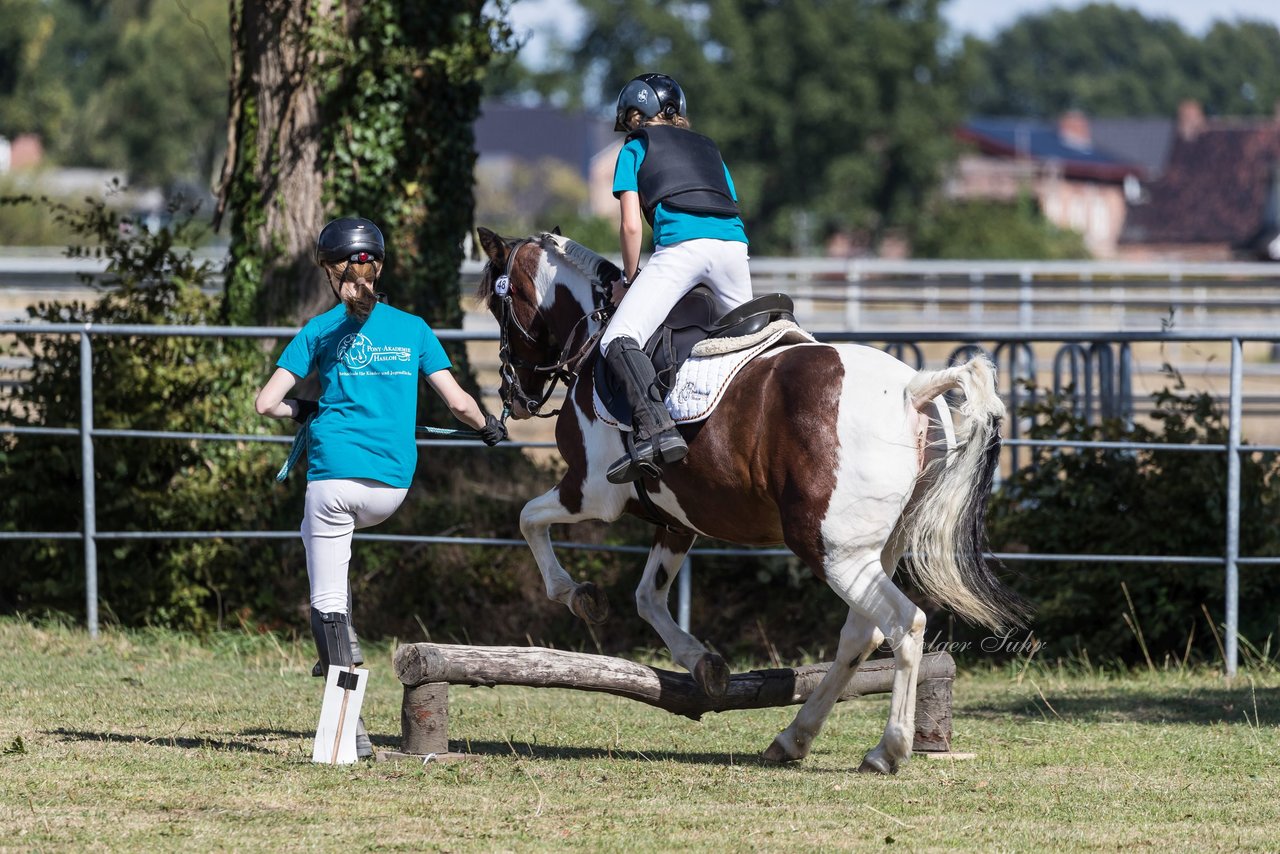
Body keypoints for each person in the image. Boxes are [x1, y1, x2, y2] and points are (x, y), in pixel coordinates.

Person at [255, 216, 506, 759]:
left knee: (326, 599)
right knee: (333, 573)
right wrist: (488, 428)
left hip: (332, 482)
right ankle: (342, 653)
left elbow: (266, 403)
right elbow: (459, 403)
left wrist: (307, 408)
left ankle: (349, 722)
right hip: (390, 490)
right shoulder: (413, 328)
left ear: (329, 271)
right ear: (380, 267)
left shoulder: (318, 331)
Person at [600, 72, 753, 484]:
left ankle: (657, 430)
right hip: (734, 250)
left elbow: (632, 227)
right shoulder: (709, 148)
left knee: (617, 338)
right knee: (750, 344)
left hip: (682, 249)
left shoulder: (635, 147)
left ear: (636, 114)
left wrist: (629, 281)